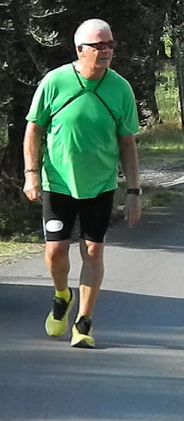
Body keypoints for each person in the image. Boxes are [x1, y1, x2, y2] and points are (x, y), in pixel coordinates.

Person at [22, 18, 141, 348]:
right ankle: (62, 295)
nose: (106, 52)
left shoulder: (120, 88)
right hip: (58, 182)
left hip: (101, 184)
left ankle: (84, 322)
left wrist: (133, 191)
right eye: (98, 46)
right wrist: (31, 174)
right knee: (55, 253)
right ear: (80, 50)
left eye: (110, 45)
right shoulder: (55, 81)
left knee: (93, 249)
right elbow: (33, 130)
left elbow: (127, 143)